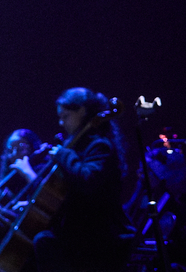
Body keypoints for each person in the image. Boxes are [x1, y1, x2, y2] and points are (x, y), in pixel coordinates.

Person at [29, 87, 135, 272]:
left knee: (44, 242)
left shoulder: (100, 146)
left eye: (65, 116)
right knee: (41, 240)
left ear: (82, 111)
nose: (61, 122)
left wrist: (63, 154)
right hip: (81, 234)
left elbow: (87, 180)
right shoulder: (78, 147)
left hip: (100, 237)